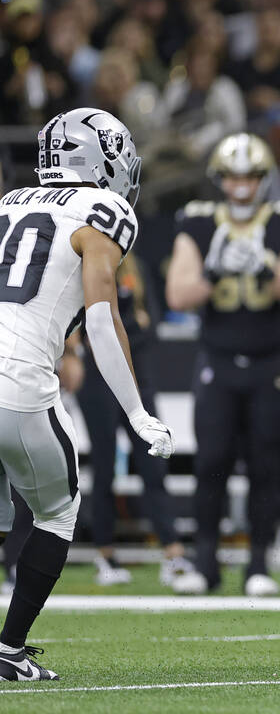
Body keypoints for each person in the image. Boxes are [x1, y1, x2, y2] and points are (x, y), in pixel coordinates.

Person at [0, 107, 173, 681]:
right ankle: (8, 650)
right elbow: (102, 320)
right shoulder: (105, 211)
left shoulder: (10, 203)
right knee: (57, 510)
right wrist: (138, 413)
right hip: (19, 383)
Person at [164, 132, 280, 595]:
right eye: (232, 176)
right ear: (219, 179)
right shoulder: (197, 223)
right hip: (218, 357)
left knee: (265, 465)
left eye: (249, 175)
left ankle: (257, 565)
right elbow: (179, 294)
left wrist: (265, 268)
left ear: (264, 179)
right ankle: (206, 563)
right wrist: (214, 270)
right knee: (211, 460)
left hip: (271, 360)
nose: (241, 185)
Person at [77, 253, 194, 588]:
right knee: (104, 466)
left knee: (153, 466)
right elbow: (87, 327)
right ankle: (106, 554)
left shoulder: (135, 268)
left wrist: (121, 341)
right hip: (98, 381)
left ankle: (172, 553)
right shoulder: (87, 267)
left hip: (138, 379)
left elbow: (150, 325)